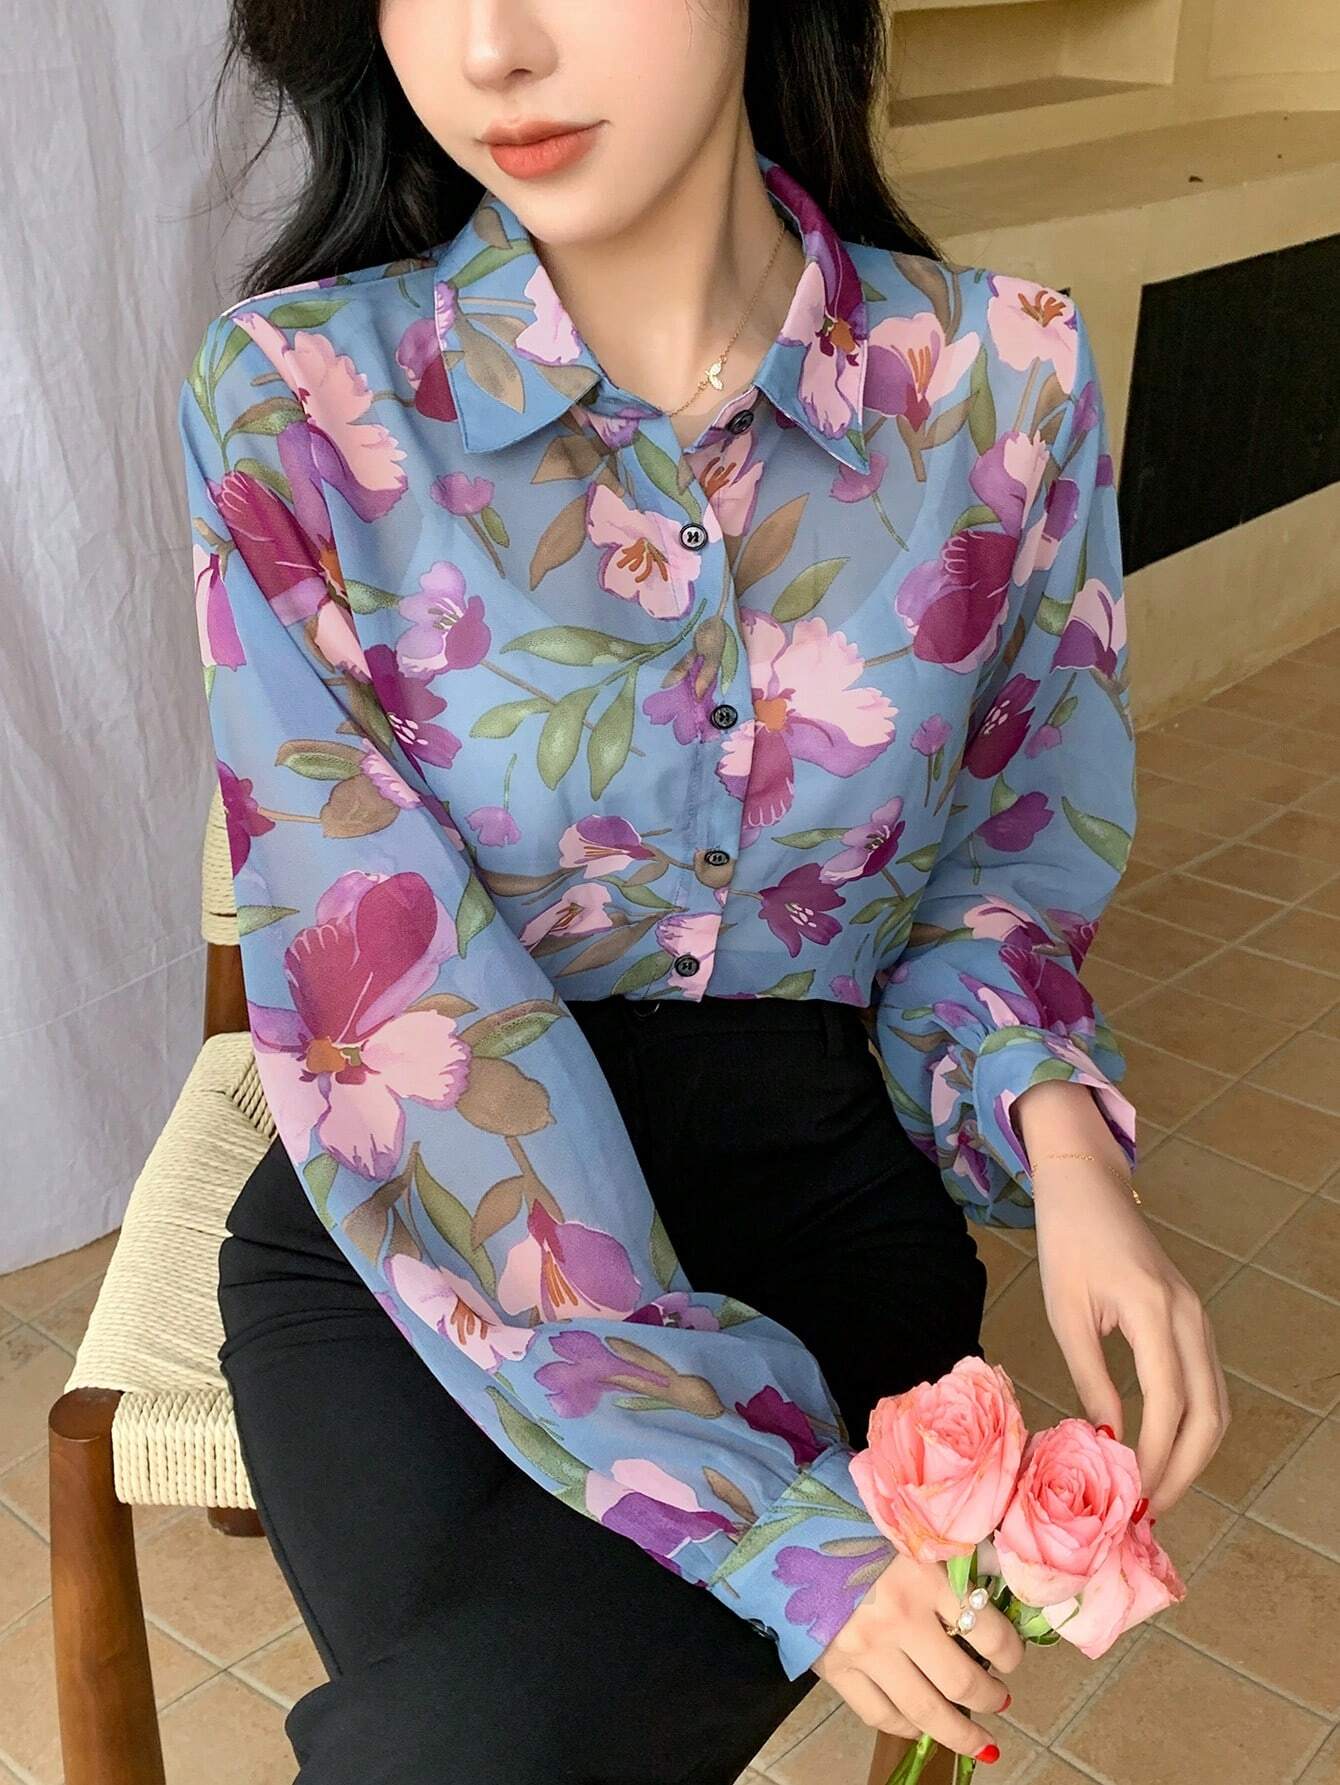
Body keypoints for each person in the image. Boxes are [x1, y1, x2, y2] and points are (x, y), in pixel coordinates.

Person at [184, 3, 1230, 1780]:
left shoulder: (1002, 384)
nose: (491, 47)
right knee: (470, 1743)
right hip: (418, 1220)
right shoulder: (296, 403)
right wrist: (777, 1533)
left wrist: (1063, 1150)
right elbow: (386, 995)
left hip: (819, 1215)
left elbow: (996, 868)